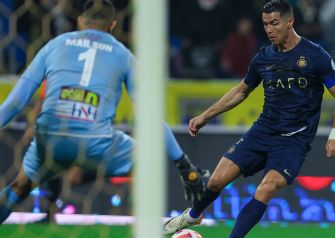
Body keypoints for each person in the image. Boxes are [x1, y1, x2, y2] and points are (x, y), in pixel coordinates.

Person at [164, 0, 335, 238]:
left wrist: (334, 136)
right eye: (265, 24)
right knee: (215, 181)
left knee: (266, 188)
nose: (269, 29)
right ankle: (194, 214)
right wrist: (205, 116)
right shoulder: (264, 57)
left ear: (290, 22)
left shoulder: (315, 55)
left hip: (293, 142)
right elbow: (241, 91)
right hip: (261, 133)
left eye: (274, 23)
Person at [0, 0, 207, 225]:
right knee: (150, 164)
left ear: (80, 21)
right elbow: (149, 115)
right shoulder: (124, 55)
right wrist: (183, 165)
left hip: (50, 135)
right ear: (113, 26)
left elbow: (16, 102)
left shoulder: (55, 44)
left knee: (20, 186)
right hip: (93, 141)